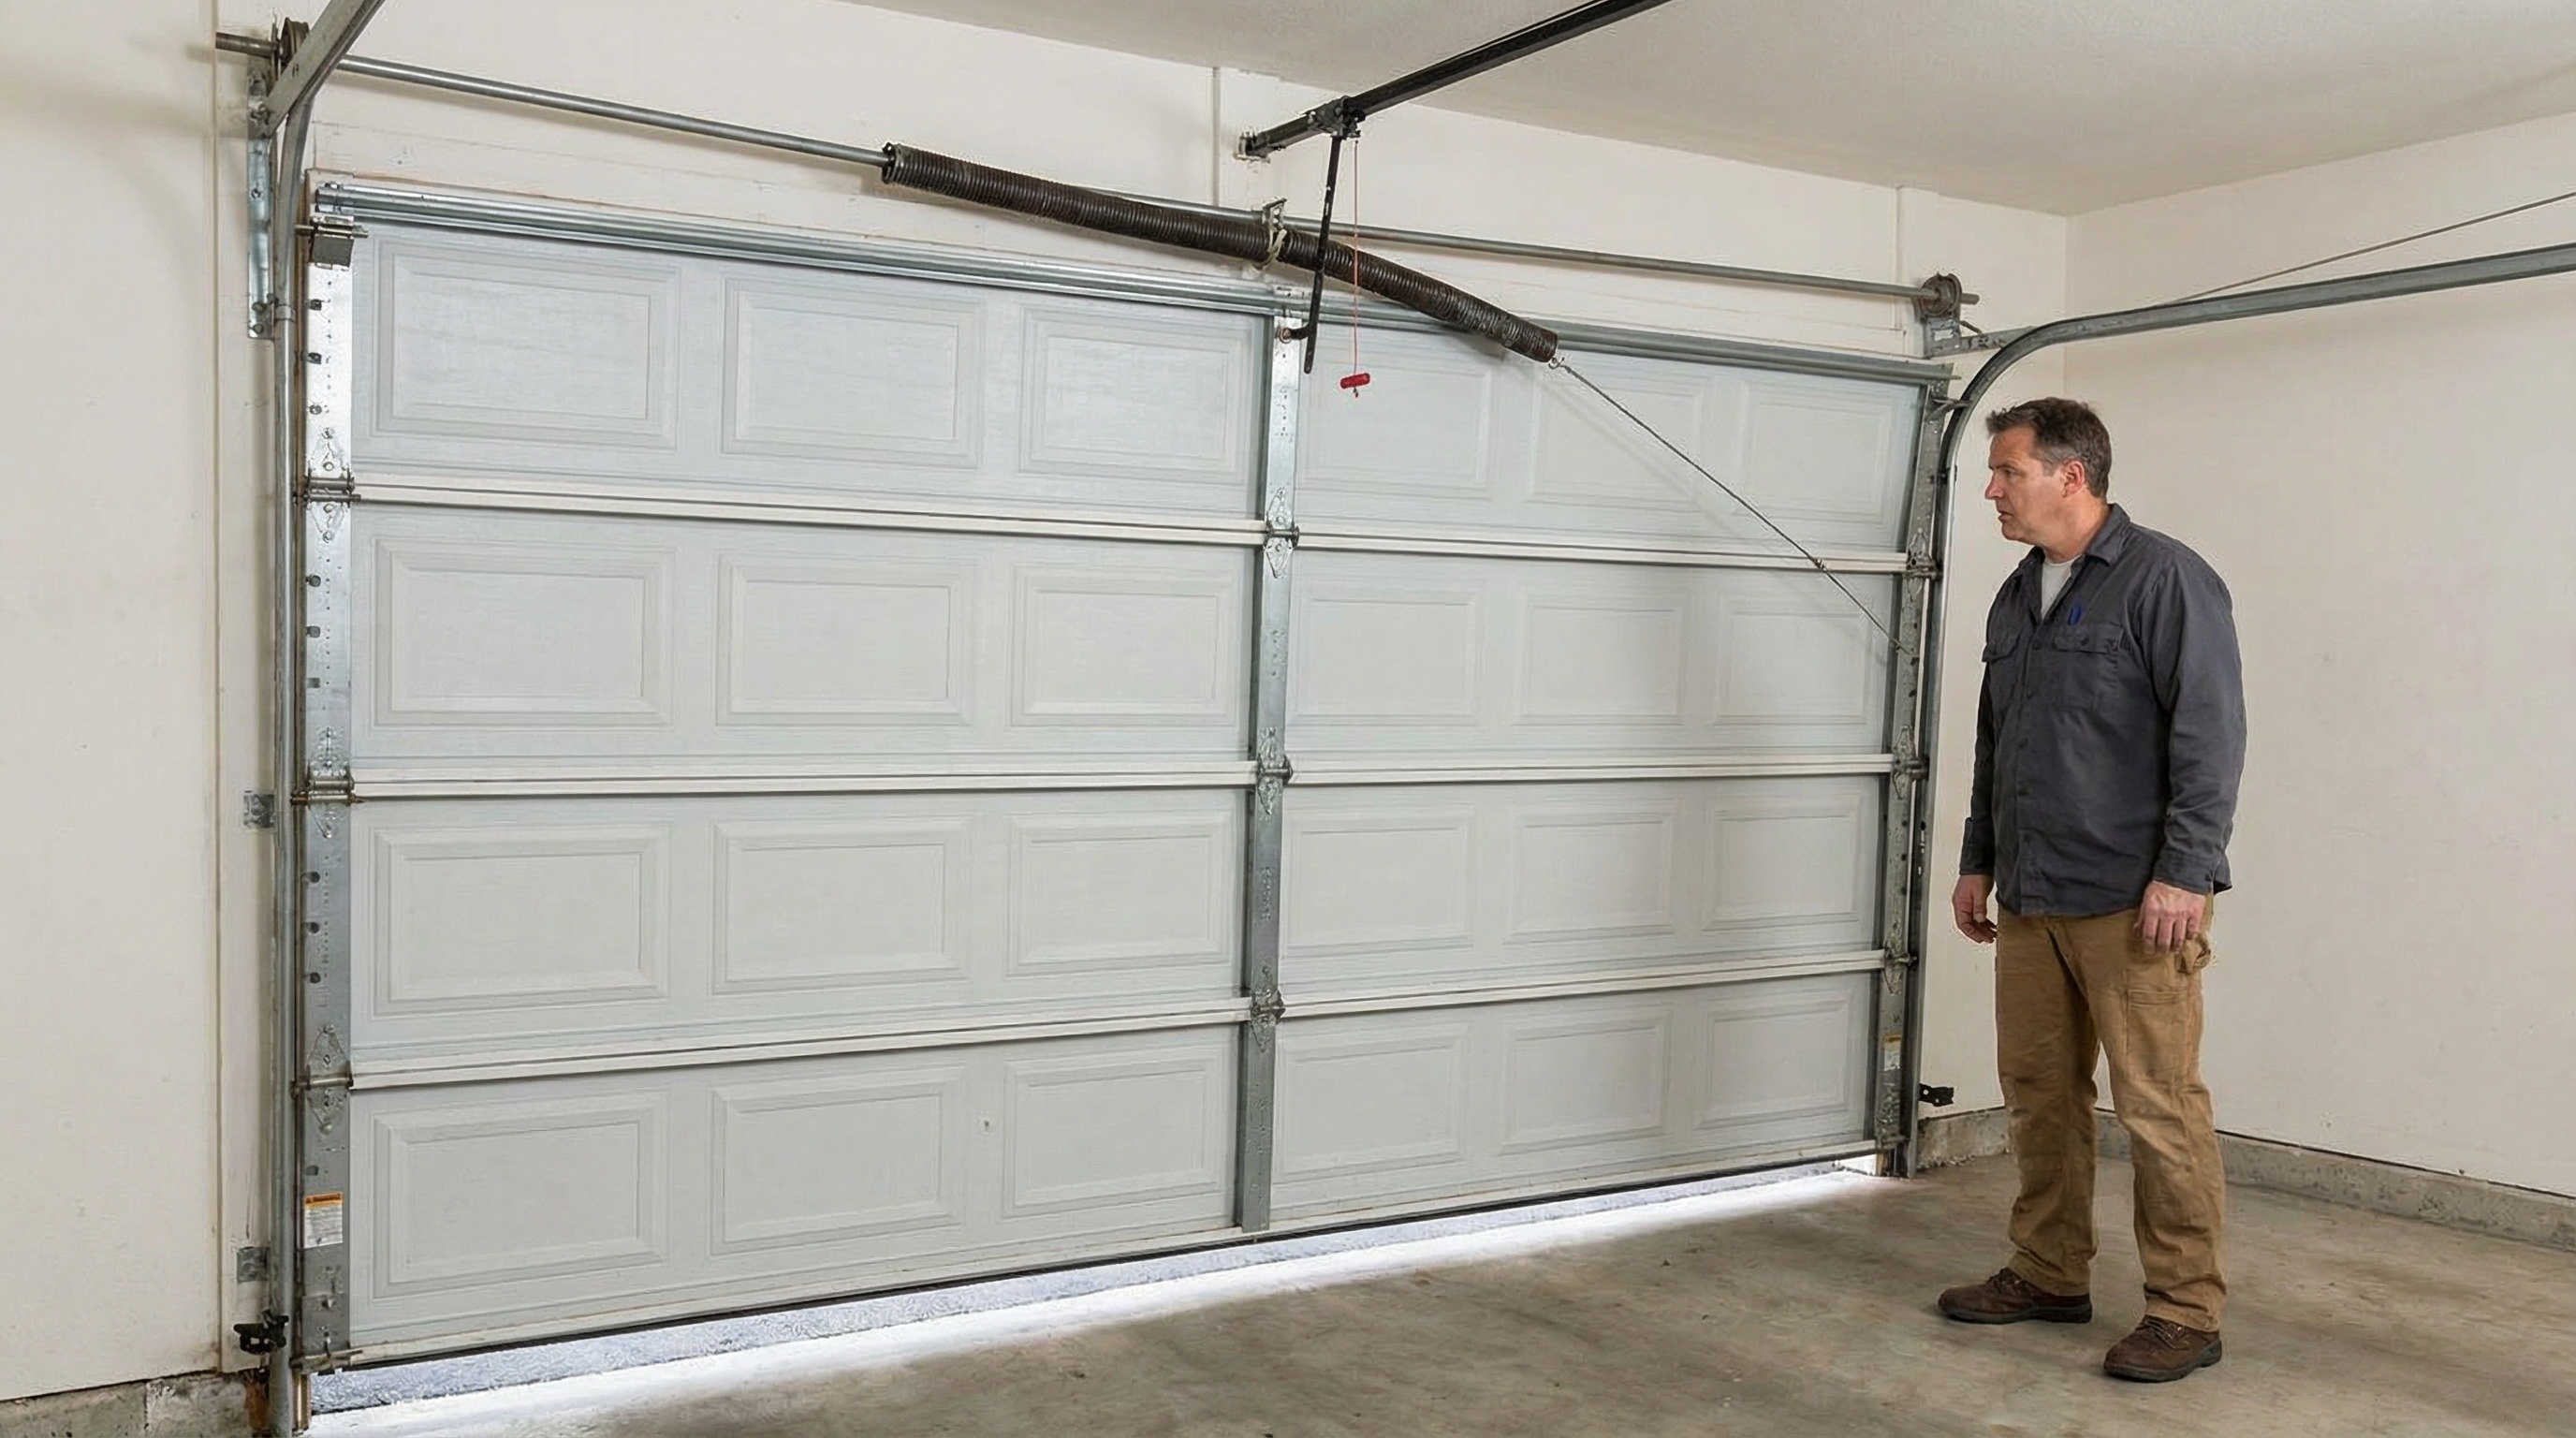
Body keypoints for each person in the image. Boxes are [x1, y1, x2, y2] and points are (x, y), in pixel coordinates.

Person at [1938, 398, 2246, 1384]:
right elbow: (1997, 737)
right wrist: (1978, 856)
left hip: (2132, 898)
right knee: (2038, 1096)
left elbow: (2210, 737)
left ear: (2070, 476)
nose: (1990, 489)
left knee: (2157, 1110)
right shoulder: (2016, 594)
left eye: (2006, 471)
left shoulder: (2166, 582)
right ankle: (2047, 1271)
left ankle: (2186, 1314)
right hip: (2032, 892)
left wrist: (2184, 871)